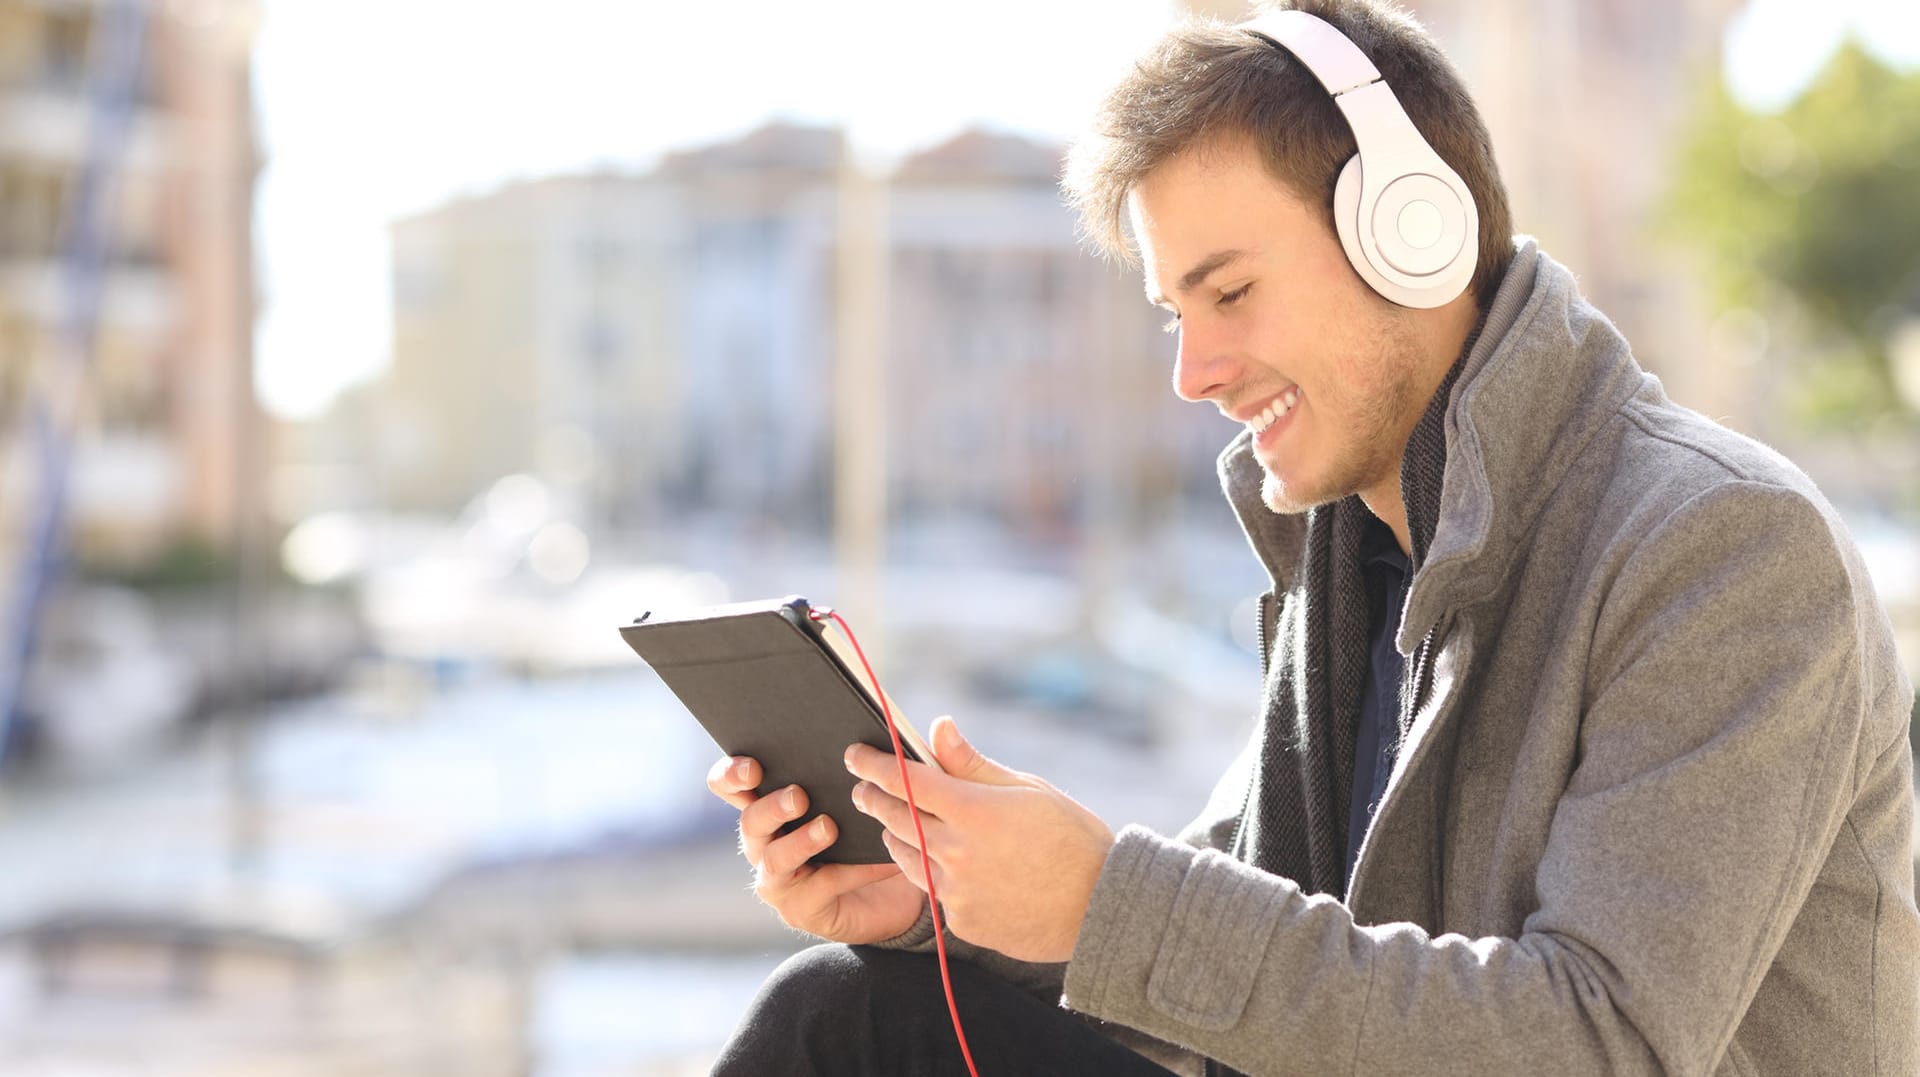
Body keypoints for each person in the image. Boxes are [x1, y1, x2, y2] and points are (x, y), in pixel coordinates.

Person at [706, 1, 1920, 1073]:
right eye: (1175, 313)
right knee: (851, 1011)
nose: (1194, 373)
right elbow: (1230, 985)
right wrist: (944, 903)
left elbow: (1605, 1045)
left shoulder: (1726, 551)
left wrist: (1102, 900)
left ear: (1416, 235)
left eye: (1230, 294)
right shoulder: (1356, 565)